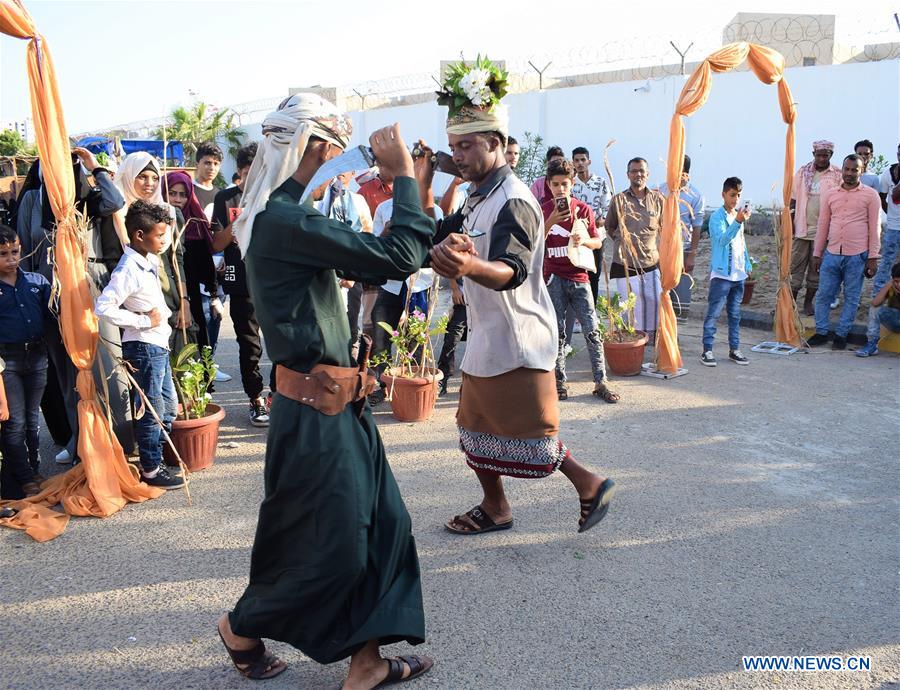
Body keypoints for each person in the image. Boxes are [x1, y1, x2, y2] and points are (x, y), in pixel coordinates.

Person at [220, 95, 433, 688]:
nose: (341, 158)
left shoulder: (287, 215)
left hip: (341, 405)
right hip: (315, 412)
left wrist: (429, 222)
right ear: (317, 146)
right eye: (336, 148)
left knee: (383, 522)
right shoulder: (286, 220)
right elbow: (398, 256)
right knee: (333, 545)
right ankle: (241, 626)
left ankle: (366, 663)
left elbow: (381, 259)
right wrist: (400, 177)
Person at [423, 63, 615, 538]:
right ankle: (498, 506)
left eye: (467, 146)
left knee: (534, 436)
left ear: (495, 142)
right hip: (490, 337)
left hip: (520, 337)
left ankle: (588, 485)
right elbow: (438, 232)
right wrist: (425, 180)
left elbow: (511, 270)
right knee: (474, 428)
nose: (459, 156)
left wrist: (466, 268)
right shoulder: (476, 197)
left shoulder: (515, 201)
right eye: (453, 148)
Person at [95, 202, 185, 490]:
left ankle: (157, 453)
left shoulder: (146, 260)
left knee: (168, 406)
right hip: (144, 347)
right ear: (139, 235)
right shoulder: (128, 269)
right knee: (152, 408)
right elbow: (104, 307)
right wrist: (143, 321)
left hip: (158, 345)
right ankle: (150, 467)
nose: (164, 241)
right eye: (159, 236)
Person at [541, 158, 618, 402]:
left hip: (579, 276)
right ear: (549, 185)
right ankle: (559, 382)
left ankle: (600, 381)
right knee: (558, 333)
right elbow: (533, 243)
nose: (560, 189)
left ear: (572, 183)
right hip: (553, 276)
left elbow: (597, 241)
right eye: (556, 184)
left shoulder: (583, 209)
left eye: (565, 183)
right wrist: (552, 218)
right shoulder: (542, 210)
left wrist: (582, 240)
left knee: (592, 330)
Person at [210, 143, 274, 425]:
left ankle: (276, 396)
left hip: (272, 282)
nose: (255, 177)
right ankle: (255, 398)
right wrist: (238, 223)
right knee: (249, 345)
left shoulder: (274, 195)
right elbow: (216, 243)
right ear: (239, 171)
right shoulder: (226, 198)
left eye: (261, 170)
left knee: (278, 343)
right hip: (240, 281)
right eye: (250, 171)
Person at [0, 224, 53, 499]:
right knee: (15, 421)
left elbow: (53, 313)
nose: (11, 258)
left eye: (15, 252)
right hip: (7, 361)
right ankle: (23, 477)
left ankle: (34, 468)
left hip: (37, 356)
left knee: (34, 419)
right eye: (3, 254)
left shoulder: (36, 282)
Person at [809, 154, 881, 350]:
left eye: (854, 170)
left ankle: (841, 335)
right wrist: (817, 253)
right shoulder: (831, 194)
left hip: (857, 255)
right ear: (842, 170)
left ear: (861, 171)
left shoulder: (871, 195)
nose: (849, 173)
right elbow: (823, 223)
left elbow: (875, 228)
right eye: (846, 169)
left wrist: (872, 257)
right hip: (831, 253)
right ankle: (821, 332)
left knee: (852, 297)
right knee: (824, 294)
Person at [605, 157, 665, 344]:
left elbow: (664, 228)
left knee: (654, 300)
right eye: (634, 171)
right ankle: (632, 340)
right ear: (628, 174)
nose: (638, 174)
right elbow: (610, 226)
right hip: (625, 263)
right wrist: (621, 241)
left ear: (647, 174)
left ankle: (652, 337)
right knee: (631, 304)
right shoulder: (619, 200)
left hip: (651, 261)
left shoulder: (658, 199)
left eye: (641, 171)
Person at [700, 177, 752, 367]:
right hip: (722, 275)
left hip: (738, 274)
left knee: (735, 315)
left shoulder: (739, 216)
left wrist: (747, 264)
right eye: (732, 195)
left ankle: (734, 349)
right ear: (723, 194)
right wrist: (738, 221)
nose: (735, 199)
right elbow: (722, 241)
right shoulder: (716, 217)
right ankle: (707, 350)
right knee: (714, 313)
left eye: (738, 195)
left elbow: (741, 243)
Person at [790, 140, 842, 315]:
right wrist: (790, 222)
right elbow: (793, 199)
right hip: (801, 230)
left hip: (823, 234)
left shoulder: (837, 175)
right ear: (813, 155)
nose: (821, 158)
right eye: (818, 155)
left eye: (825, 155)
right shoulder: (802, 172)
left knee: (815, 271)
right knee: (795, 269)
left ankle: (808, 303)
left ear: (830, 156)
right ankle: (790, 304)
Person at [858, 143, 900, 357]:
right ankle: (871, 341)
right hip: (893, 229)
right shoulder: (888, 174)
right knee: (880, 285)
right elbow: (887, 200)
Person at [658, 154, 704, 315]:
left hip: (683, 250)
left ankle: (676, 327)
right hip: (661, 249)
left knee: (679, 291)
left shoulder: (695, 195)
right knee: (661, 289)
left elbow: (697, 227)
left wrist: (692, 254)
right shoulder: (661, 189)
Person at [869, 262, 900, 334]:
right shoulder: (892, 287)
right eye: (896, 281)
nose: (899, 285)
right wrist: (889, 284)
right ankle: (872, 340)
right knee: (875, 309)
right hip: (896, 321)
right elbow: (875, 303)